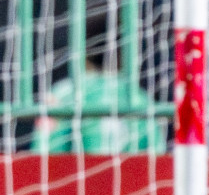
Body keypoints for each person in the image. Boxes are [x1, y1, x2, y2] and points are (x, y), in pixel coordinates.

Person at [35, 10, 165, 154]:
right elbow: (156, 156)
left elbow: (44, 154)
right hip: (128, 175)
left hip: (74, 175)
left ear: (82, 48)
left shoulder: (62, 94)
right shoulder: (138, 98)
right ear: (125, 53)